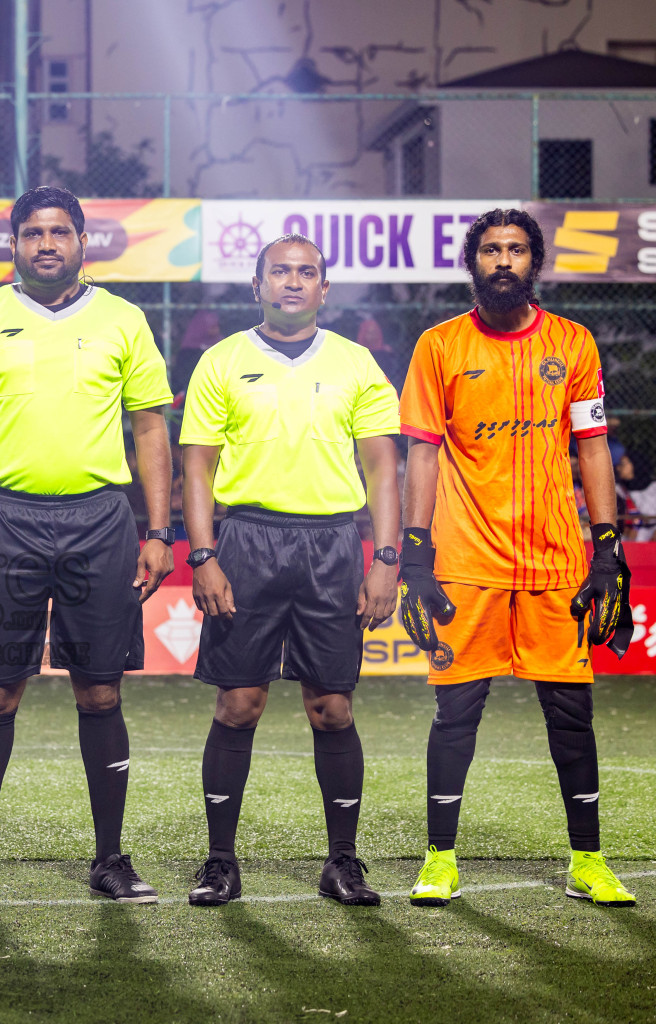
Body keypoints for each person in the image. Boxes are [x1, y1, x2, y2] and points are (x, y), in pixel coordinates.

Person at [0, 185, 175, 905]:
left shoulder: (123, 320)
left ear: (81, 243)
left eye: (60, 232)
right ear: (13, 244)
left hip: (102, 522)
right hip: (6, 520)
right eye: (33, 233)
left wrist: (160, 531)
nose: (47, 244)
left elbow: (151, 430)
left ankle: (111, 859)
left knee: (100, 691)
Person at [398, 208, 636, 909]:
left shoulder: (573, 343)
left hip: (556, 560)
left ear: (535, 263)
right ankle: (441, 857)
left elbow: (591, 447)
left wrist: (608, 544)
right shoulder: (439, 346)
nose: (505, 261)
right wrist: (416, 548)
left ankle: (588, 860)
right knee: (456, 713)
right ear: (474, 262)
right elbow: (422, 451)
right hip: (467, 560)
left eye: (518, 250)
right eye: (493, 250)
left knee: (571, 713)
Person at [178, 234, 400, 908]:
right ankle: (220, 862)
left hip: (332, 545)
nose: (294, 282)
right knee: (239, 703)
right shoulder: (222, 361)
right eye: (280, 272)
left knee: (332, 707)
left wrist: (386, 557)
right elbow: (198, 464)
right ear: (257, 285)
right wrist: (205, 553)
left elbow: (383, 465)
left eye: (307, 273)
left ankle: (342, 863)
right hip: (246, 541)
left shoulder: (357, 363)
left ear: (325, 290)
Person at [616, 451, 656, 542]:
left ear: (635, 465)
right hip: (629, 539)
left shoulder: (655, 488)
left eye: (622, 464)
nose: (618, 468)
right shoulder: (619, 489)